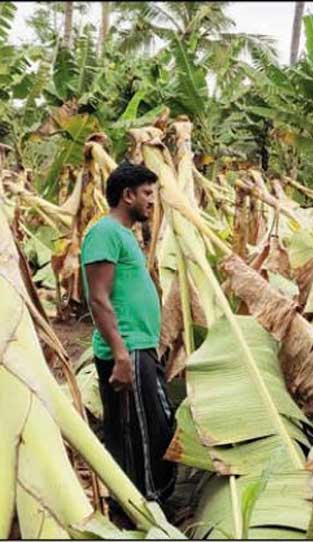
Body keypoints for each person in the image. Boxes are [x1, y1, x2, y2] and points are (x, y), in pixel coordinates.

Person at [80, 162, 175, 507]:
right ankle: (146, 505)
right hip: (128, 350)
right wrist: (121, 354)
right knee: (146, 435)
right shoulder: (104, 232)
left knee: (146, 428)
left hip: (139, 347)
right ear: (127, 195)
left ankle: (139, 503)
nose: (153, 201)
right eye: (148, 194)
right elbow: (98, 297)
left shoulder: (123, 235)